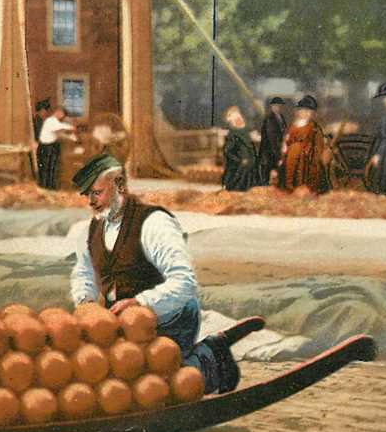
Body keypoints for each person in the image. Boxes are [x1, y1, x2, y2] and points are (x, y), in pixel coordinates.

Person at [69, 154, 259, 395]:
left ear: (120, 187)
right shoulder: (91, 229)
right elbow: (83, 272)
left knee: (147, 387)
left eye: (97, 193)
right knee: (101, 371)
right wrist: (85, 301)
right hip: (124, 324)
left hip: (170, 318)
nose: (91, 202)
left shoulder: (154, 223)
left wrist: (141, 302)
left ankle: (210, 358)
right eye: (87, 195)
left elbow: (184, 282)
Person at [277, 95, 331, 194]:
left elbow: (318, 142)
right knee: (289, 167)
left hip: (307, 153)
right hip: (291, 153)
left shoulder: (314, 127)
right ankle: (289, 187)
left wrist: (314, 151)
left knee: (305, 168)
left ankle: (303, 187)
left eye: (308, 111)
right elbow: (287, 139)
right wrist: (284, 148)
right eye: (303, 110)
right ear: (298, 111)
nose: (305, 113)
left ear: (313, 113)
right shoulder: (294, 125)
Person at [221, 106, 260, 191]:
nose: (240, 120)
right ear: (233, 121)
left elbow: (251, 147)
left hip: (250, 164)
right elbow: (227, 151)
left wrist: (253, 157)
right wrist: (239, 160)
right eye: (237, 119)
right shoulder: (232, 134)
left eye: (240, 118)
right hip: (239, 166)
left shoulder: (245, 132)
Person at [37, 106, 77, 189]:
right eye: (62, 114)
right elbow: (59, 127)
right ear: (59, 112)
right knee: (45, 169)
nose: (62, 117)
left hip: (50, 147)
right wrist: (71, 127)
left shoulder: (55, 122)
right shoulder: (50, 121)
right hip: (45, 147)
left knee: (51, 168)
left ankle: (50, 187)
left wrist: (71, 136)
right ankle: (44, 187)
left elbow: (59, 133)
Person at [258, 96, 288, 183]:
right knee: (267, 177)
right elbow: (272, 138)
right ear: (272, 106)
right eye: (276, 106)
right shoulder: (269, 119)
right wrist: (279, 153)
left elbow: (284, 131)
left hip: (276, 150)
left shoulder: (281, 117)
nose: (278, 108)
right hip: (269, 152)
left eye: (279, 106)